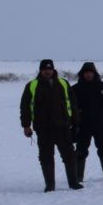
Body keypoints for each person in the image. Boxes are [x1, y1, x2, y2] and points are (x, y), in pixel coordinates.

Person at [20, 58, 81, 191]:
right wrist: (26, 125)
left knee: (69, 156)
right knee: (46, 157)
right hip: (43, 128)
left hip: (63, 126)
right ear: (41, 70)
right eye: (44, 69)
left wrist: (76, 122)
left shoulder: (63, 83)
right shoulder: (32, 85)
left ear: (53, 70)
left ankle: (74, 183)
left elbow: (72, 103)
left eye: (49, 69)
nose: (47, 71)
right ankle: (50, 185)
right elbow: (25, 106)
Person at [73, 62, 103, 180]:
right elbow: (69, 105)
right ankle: (78, 177)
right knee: (81, 149)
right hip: (82, 124)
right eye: (86, 73)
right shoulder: (75, 88)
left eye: (90, 72)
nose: (88, 75)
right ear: (82, 74)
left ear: (94, 73)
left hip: (101, 123)